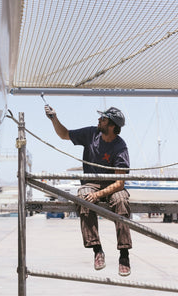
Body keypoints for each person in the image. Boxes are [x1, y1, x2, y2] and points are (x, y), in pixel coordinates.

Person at [45, 105, 132, 276]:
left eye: (103, 119)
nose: (99, 120)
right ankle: (97, 250)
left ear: (112, 125)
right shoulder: (91, 134)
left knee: (121, 200)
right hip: (91, 183)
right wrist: (54, 118)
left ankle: (124, 255)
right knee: (83, 198)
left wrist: (99, 195)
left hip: (113, 186)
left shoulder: (120, 147)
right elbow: (64, 134)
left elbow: (120, 183)